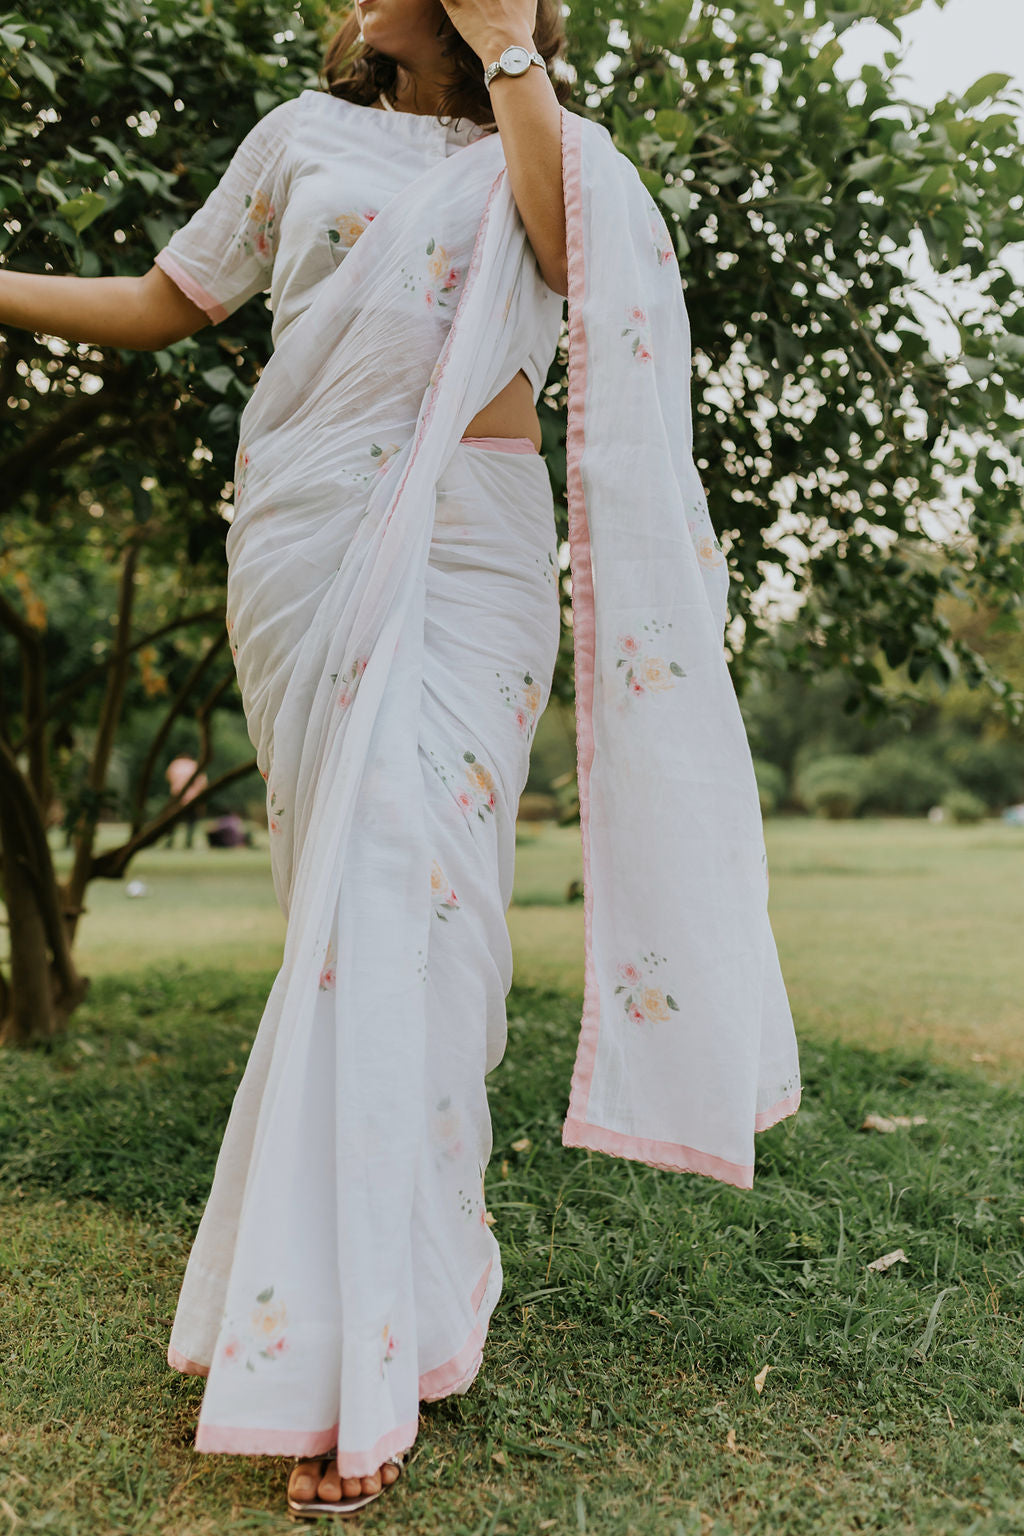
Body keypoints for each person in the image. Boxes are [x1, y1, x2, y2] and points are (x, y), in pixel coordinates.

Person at [0, 0, 802, 1517]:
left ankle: (382, 1338)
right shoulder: (298, 139)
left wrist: (513, 58)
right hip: (309, 537)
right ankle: (348, 1319)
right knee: (345, 918)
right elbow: (172, 300)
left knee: (420, 908)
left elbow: (578, 267)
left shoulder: (552, 146)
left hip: (474, 553)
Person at [163, 755, 208, 850]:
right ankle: (188, 843)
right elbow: (203, 783)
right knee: (192, 821)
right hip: (193, 797)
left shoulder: (175, 764)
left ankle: (169, 842)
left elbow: (168, 777)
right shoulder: (195, 765)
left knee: (172, 821)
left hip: (177, 796)